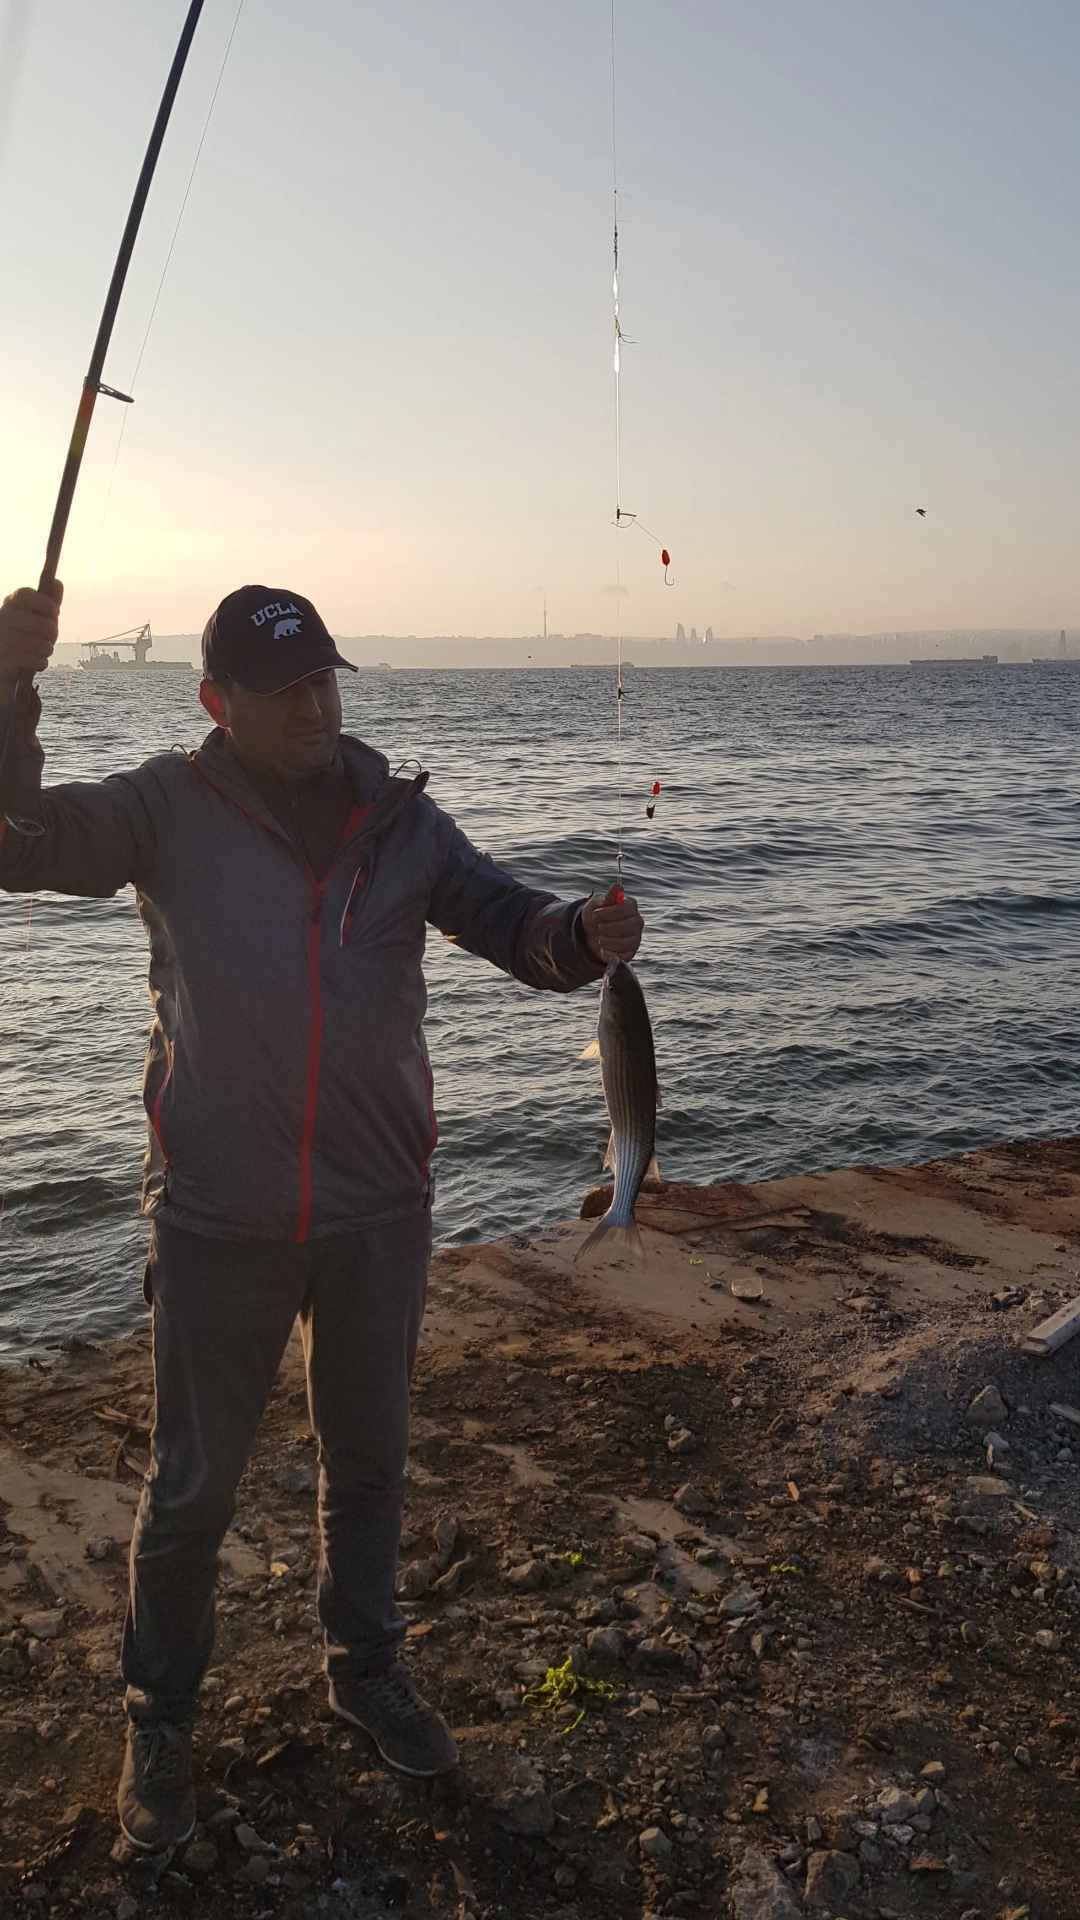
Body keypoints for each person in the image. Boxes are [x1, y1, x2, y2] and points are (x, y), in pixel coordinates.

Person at [0, 581, 644, 1853]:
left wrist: (582, 933)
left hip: (378, 1207)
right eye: (283, 688)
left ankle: (367, 1668)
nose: (314, 706)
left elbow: (509, 922)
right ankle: (159, 1720)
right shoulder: (161, 808)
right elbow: (16, 842)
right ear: (215, 701)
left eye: (324, 681)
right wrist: (9, 691)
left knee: (371, 1464)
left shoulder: (400, 820)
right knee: (192, 1492)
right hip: (217, 1215)